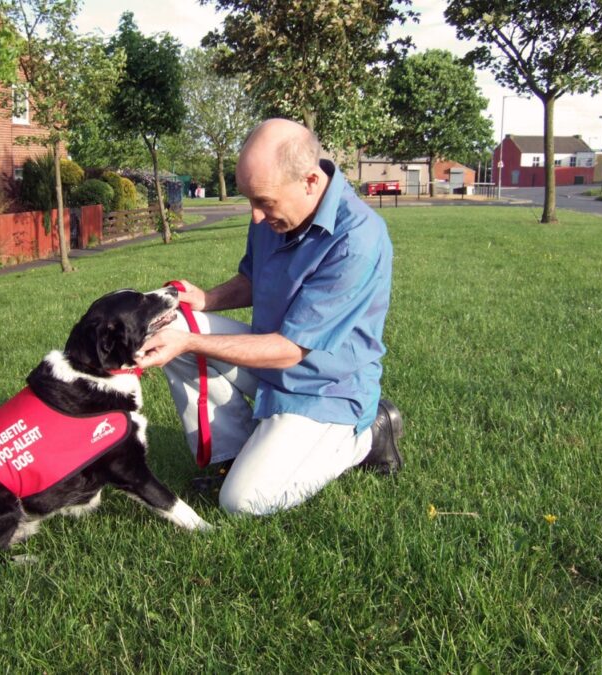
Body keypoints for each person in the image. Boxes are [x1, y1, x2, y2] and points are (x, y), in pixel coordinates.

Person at [134, 118, 404, 516]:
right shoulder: (276, 210)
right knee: (175, 325)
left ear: (310, 181)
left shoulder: (357, 240)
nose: (256, 216)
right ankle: (234, 454)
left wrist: (190, 342)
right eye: (250, 201)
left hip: (325, 391)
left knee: (243, 502)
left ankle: (366, 437)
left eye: (264, 201)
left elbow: (290, 350)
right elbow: (252, 278)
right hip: (273, 368)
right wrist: (205, 299)